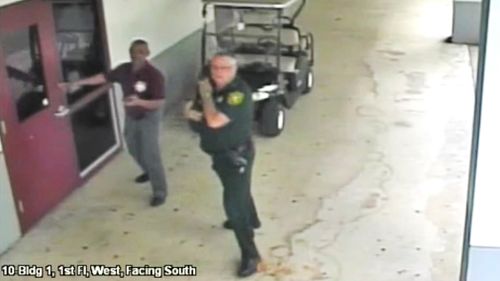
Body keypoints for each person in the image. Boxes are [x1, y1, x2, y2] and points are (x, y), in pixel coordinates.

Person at [60, 39, 168, 207]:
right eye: (133, 51)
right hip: (132, 114)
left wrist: (139, 102)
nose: (136, 55)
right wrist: (76, 83)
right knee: (132, 146)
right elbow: (102, 77)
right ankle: (148, 171)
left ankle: (160, 191)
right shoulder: (124, 69)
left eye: (140, 51)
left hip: (149, 116)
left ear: (147, 53)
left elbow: (159, 102)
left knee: (150, 152)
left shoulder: (154, 75)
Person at [184, 53, 262, 277]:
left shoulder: (237, 93)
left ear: (234, 70)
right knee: (239, 189)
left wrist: (205, 100)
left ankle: (251, 255)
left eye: (224, 68)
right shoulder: (212, 88)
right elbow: (194, 113)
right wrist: (200, 113)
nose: (217, 72)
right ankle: (254, 219)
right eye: (214, 67)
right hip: (220, 155)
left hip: (236, 156)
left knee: (234, 206)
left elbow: (214, 120)